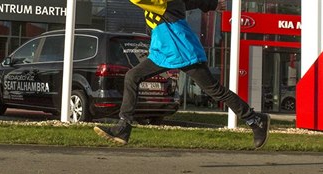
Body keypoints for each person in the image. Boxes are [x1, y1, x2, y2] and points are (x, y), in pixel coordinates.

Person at [94, 0, 270, 149]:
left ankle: (255, 119)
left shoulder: (161, 2)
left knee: (215, 90)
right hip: (163, 50)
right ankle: (123, 127)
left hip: (181, 47)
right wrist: (212, 4)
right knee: (132, 76)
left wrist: (212, 4)